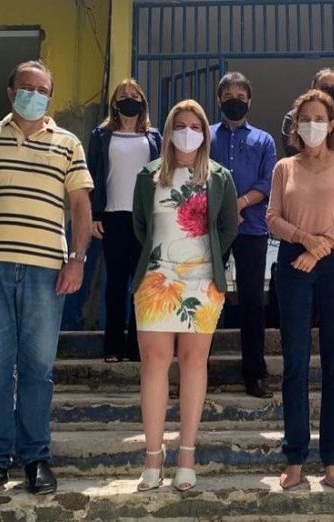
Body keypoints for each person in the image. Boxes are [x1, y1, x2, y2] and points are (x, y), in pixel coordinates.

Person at [0, 60, 93, 499]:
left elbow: (80, 206)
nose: (35, 94)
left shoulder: (68, 144)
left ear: (51, 96)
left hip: (46, 271)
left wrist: (77, 259)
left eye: (43, 89)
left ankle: (35, 458)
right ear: (11, 92)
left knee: (37, 370)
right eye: (27, 87)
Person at [132, 99, 238, 493]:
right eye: (181, 125)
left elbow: (228, 226)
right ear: (169, 130)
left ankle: (187, 457)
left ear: (205, 134)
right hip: (156, 278)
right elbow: (140, 225)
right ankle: (152, 457)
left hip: (202, 281)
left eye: (195, 126)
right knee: (154, 363)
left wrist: (204, 263)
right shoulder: (148, 176)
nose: (188, 133)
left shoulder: (219, 176)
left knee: (194, 363)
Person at [267, 89, 334, 490]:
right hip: (294, 261)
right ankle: (295, 457)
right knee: (294, 362)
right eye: (304, 118)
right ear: (295, 125)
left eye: (319, 118)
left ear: (332, 124)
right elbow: (272, 217)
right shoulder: (284, 168)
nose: (312, 125)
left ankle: (333, 458)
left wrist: (322, 245)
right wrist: (305, 241)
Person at [210, 72, 277, 398]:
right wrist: (224, 208)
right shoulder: (206, 136)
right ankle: (197, 368)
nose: (234, 101)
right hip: (213, 228)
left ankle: (255, 373)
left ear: (249, 101)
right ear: (219, 100)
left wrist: (239, 203)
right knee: (206, 296)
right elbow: (199, 175)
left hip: (252, 228)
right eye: (228, 96)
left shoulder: (264, 140)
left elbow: (268, 181)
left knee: (252, 302)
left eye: (240, 96)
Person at [88, 78, 162, 362]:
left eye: (134, 94)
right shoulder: (101, 135)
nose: (129, 98)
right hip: (113, 215)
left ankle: (136, 347)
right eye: (123, 95)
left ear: (142, 102)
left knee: (142, 283)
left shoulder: (153, 136)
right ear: (115, 103)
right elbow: (92, 175)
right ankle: (113, 347)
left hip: (144, 218)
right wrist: (94, 214)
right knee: (116, 283)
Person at [281, 68, 334, 162]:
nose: (328, 91)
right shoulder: (293, 117)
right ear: (313, 87)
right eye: (323, 86)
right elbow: (291, 147)